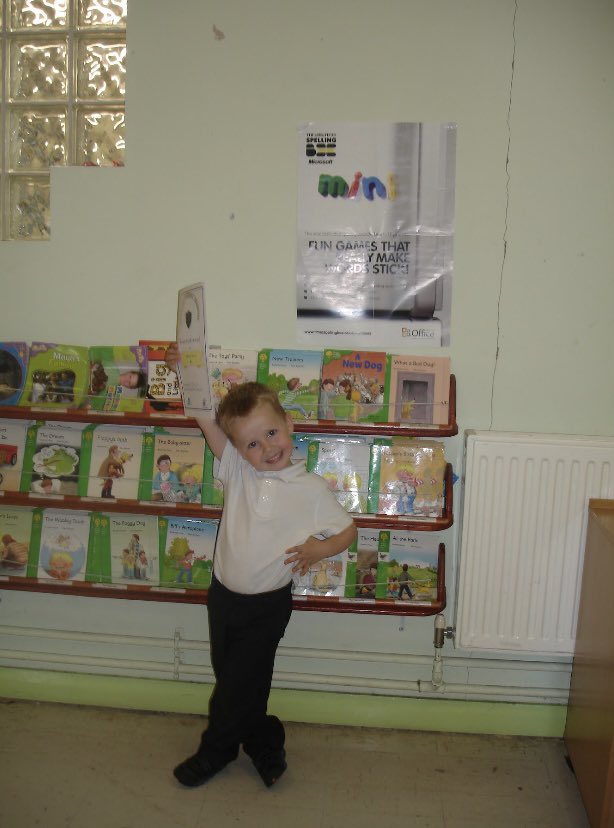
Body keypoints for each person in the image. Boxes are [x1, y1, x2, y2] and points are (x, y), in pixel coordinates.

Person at [166, 343, 356, 790]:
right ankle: (265, 741)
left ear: (289, 424)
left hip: (267, 605)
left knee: (235, 685)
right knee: (237, 677)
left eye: (271, 434)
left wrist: (318, 549)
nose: (266, 448)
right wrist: (187, 374)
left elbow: (347, 531)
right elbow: (205, 419)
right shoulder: (238, 469)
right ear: (237, 450)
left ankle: (216, 752)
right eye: (252, 443)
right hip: (223, 598)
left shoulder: (310, 488)